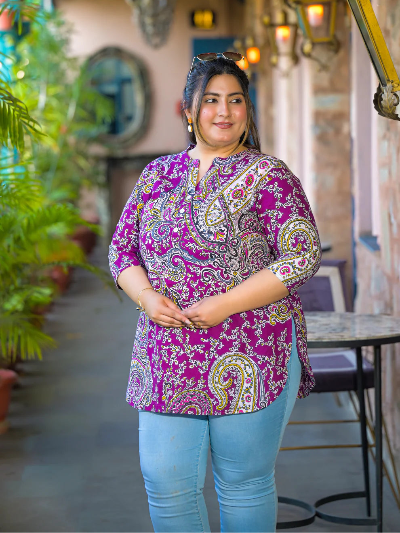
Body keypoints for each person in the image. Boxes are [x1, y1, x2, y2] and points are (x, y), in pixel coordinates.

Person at [108, 52, 321, 533]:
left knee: (244, 483)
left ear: (248, 109)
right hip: (167, 352)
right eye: (210, 100)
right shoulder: (157, 175)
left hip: (251, 349)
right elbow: (122, 251)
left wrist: (223, 305)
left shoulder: (270, 176)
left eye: (235, 100)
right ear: (188, 110)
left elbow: (302, 254)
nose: (223, 111)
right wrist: (146, 297)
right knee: (165, 482)